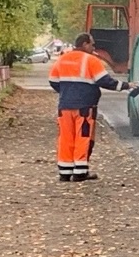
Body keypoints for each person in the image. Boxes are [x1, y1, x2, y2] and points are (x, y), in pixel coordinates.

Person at [47, 31, 123, 182]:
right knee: (83, 136)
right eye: (92, 44)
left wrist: (67, 91)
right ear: (85, 44)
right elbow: (105, 81)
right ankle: (80, 171)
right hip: (84, 107)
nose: (94, 47)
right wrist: (126, 85)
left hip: (65, 106)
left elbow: (53, 81)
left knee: (66, 137)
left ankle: (65, 171)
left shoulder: (63, 59)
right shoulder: (91, 60)